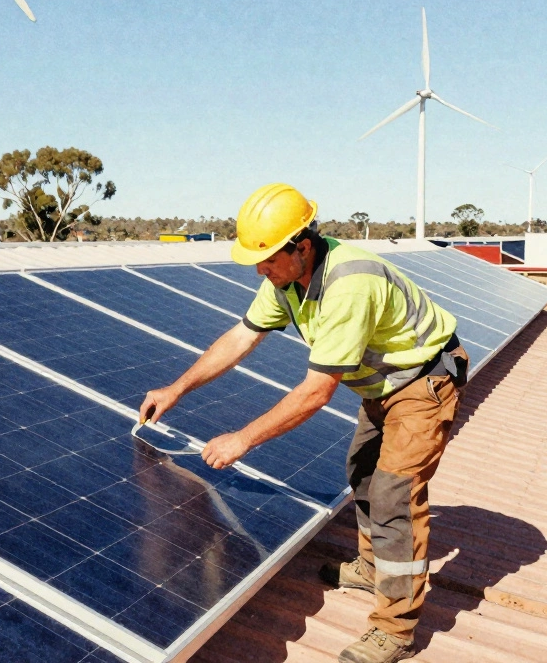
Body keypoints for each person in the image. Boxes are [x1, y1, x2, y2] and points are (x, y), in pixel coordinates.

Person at [139, 183, 469, 663]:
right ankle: (372, 565)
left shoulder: (348, 284)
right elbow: (241, 337)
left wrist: (242, 439)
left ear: (304, 246)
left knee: (395, 495)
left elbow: (317, 391)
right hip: (380, 385)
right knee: (362, 472)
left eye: (269, 258)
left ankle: (396, 629)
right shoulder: (286, 278)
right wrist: (176, 388)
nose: (261, 269)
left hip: (422, 383)